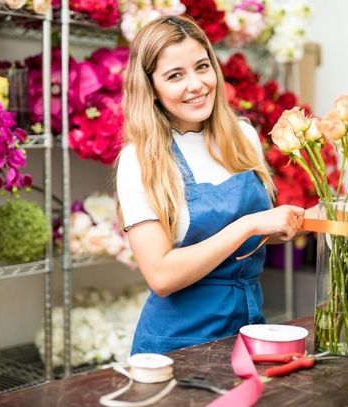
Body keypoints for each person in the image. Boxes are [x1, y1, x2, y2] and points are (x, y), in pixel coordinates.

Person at [116, 14, 305, 355]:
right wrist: (249, 224)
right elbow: (161, 276)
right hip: (178, 345)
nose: (196, 84)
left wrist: (304, 220)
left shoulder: (242, 136)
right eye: (175, 75)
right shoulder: (140, 159)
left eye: (202, 67)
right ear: (152, 89)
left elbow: (254, 238)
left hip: (248, 329)